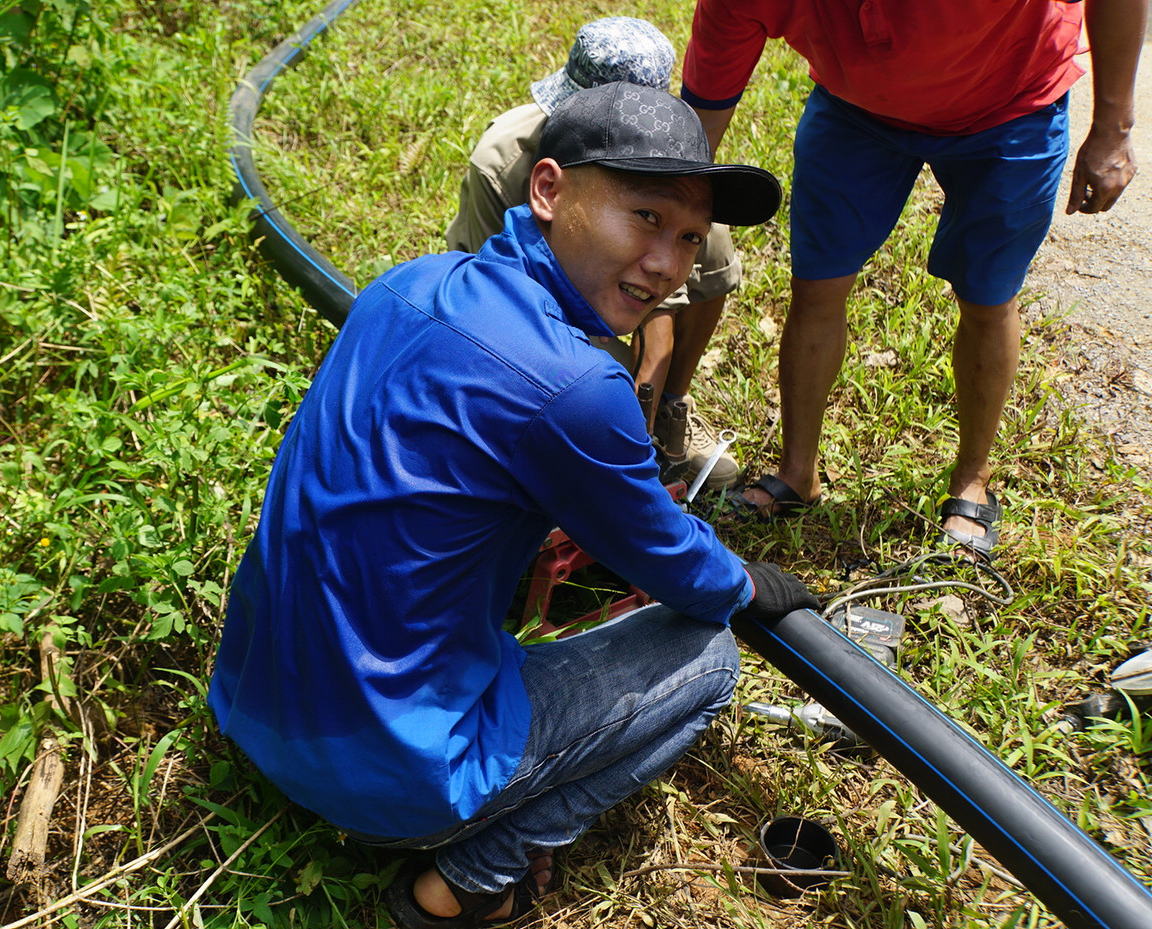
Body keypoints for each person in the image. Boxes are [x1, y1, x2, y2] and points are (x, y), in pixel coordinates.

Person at [209, 82, 816, 929]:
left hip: (250, 705)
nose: (670, 266)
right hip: (388, 777)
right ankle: (467, 885)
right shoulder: (576, 384)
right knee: (710, 659)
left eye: (688, 237)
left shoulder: (406, 282)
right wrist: (747, 584)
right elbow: (676, 563)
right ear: (548, 190)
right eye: (645, 217)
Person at [681, 0, 1145, 558]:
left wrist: (1113, 125)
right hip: (854, 110)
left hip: (1012, 103)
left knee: (988, 295)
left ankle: (972, 479)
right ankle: (796, 473)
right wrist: (673, 205)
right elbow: (704, 112)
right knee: (816, 286)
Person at [446, 16, 747, 491]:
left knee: (715, 248)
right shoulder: (502, 163)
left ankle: (672, 407)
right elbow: (478, 297)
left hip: (610, 298)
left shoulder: (681, 192)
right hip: (532, 310)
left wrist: (646, 410)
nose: (671, 256)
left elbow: (664, 318)